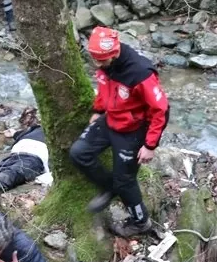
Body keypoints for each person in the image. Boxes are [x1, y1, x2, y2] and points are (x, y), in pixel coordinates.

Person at [69, 27, 170, 238]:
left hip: (133, 130)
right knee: (79, 153)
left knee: (125, 180)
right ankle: (109, 187)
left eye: (101, 61)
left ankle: (140, 221)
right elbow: (104, 87)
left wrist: (150, 145)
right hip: (110, 120)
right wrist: (98, 110)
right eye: (94, 59)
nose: (97, 64)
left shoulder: (140, 73)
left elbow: (161, 109)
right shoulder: (106, 64)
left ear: (114, 54)